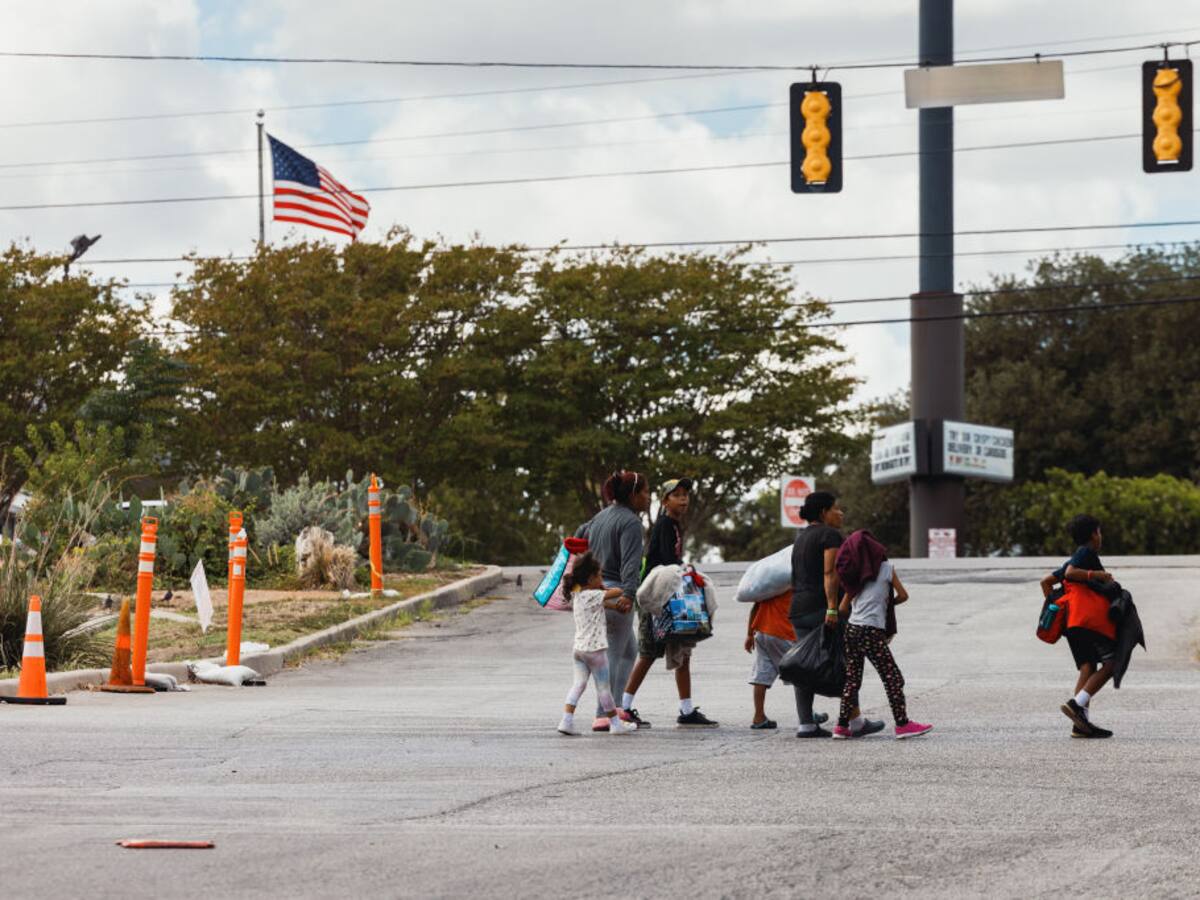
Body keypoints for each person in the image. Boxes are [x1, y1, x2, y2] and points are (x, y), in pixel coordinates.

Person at [620, 478, 718, 729]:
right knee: (649, 652)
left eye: (686, 494)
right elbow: (664, 560)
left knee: (683, 651)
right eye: (677, 495)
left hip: (671, 595)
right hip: (656, 597)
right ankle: (625, 707)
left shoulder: (674, 525)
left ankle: (686, 710)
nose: (684, 499)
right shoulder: (664, 524)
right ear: (665, 501)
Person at [788, 492, 883, 739]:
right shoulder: (830, 535)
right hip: (822, 608)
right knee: (845, 661)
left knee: (803, 664)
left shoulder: (801, 538)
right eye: (836, 509)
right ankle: (856, 722)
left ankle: (806, 724)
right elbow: (830, 572)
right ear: (823, 513)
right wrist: (833, 607)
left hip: (798, 608)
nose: (840, 513)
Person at [575, 470, 648, 732]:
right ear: (632, 495)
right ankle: (603, 715)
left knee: (629, 650)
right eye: (644, 492)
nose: (647, 497)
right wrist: (629, 593)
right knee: (614, 655)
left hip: (596, 593)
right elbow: (631, 563)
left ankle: (615, 707)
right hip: (615, 594)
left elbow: (579, 534)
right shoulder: (630, 522)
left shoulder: (600, 517)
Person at [833, 557, 933, 740]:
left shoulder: (855, 570)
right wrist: (884, 605)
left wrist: (859, 612)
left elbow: (842, 607)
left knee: (852, 679)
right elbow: (903, 595)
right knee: (892, 677)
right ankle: (903, 724)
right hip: (871, 631)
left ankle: (841, 726)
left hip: (853, 630)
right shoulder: (886, 569)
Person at [1039, 514, 1117, 738]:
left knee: (1088, 667)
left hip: (1072, 624)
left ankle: (1080, 724)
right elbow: (1073, 573)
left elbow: (1046, 582)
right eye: (1099, 532)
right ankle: (1077, 704)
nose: (1100, 536)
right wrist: (1097, 574)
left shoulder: (1075, 557)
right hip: (1085, 621)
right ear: (1094, 535)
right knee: (1113, 662)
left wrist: (1056, 608)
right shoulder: (1086, 553)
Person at [556, 552, 638, 736]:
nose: (602, 578)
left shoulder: (578, 594)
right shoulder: (593, 594)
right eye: (599, 575)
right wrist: (617, 587)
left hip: (578, 650)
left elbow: (601, 605)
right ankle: (615, 724)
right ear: (591, 578)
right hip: (595, 651)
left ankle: (566, 720)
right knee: (604, 689)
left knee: (578, 685)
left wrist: (611, 603)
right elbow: (617, 592)